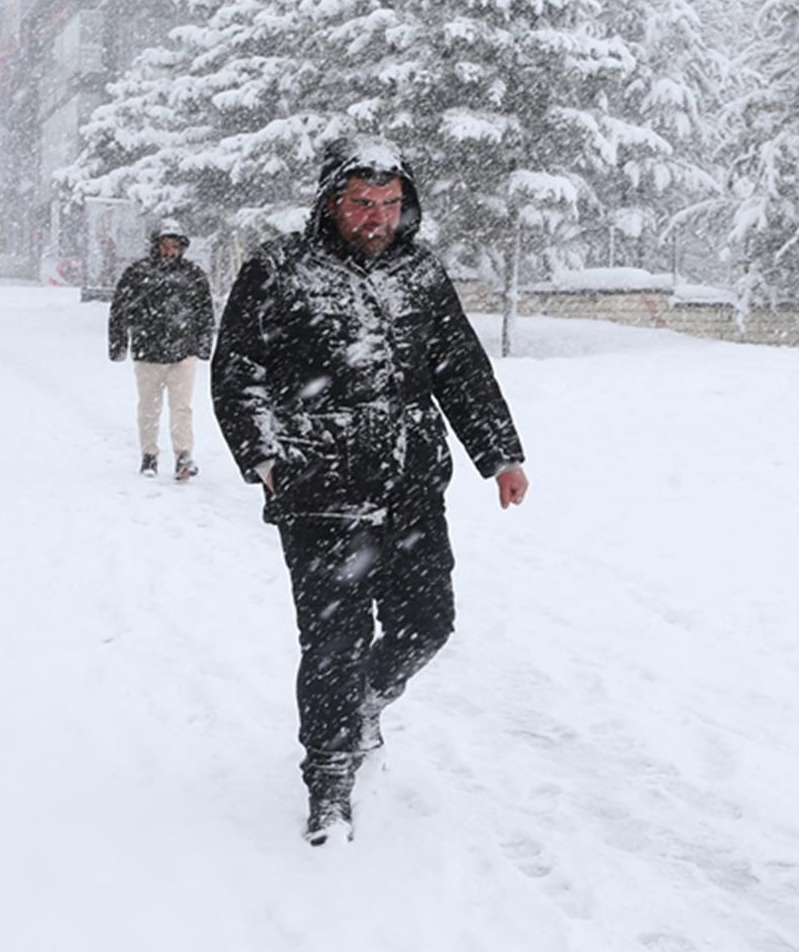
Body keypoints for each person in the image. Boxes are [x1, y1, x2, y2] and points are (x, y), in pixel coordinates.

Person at [211, 135, 529, 846]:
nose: (376, 216)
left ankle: (364, 704)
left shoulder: (420, 272)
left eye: (389, 203)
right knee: (335, 641)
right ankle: (329, 783)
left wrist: (500, 455)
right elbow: (238, 372)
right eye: (361, 203)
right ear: (331, 201)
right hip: (320, 488)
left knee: (429, 623)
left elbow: (460, 368)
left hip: (412, 484)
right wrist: (266, 460)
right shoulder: (280, 269)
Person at [108, 221, 214, 479]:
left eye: (175, 246)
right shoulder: (137, 273)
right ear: (155, 246)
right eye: (165, 246)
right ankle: (149, 455)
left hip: (183, 352)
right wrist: (118, 345)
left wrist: (203, 345)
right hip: (148, 353)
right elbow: (119, 310)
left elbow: (204, 311)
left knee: (182, 407)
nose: (169, 251)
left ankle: (184, 455)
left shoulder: (193, 275)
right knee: (149, 407)